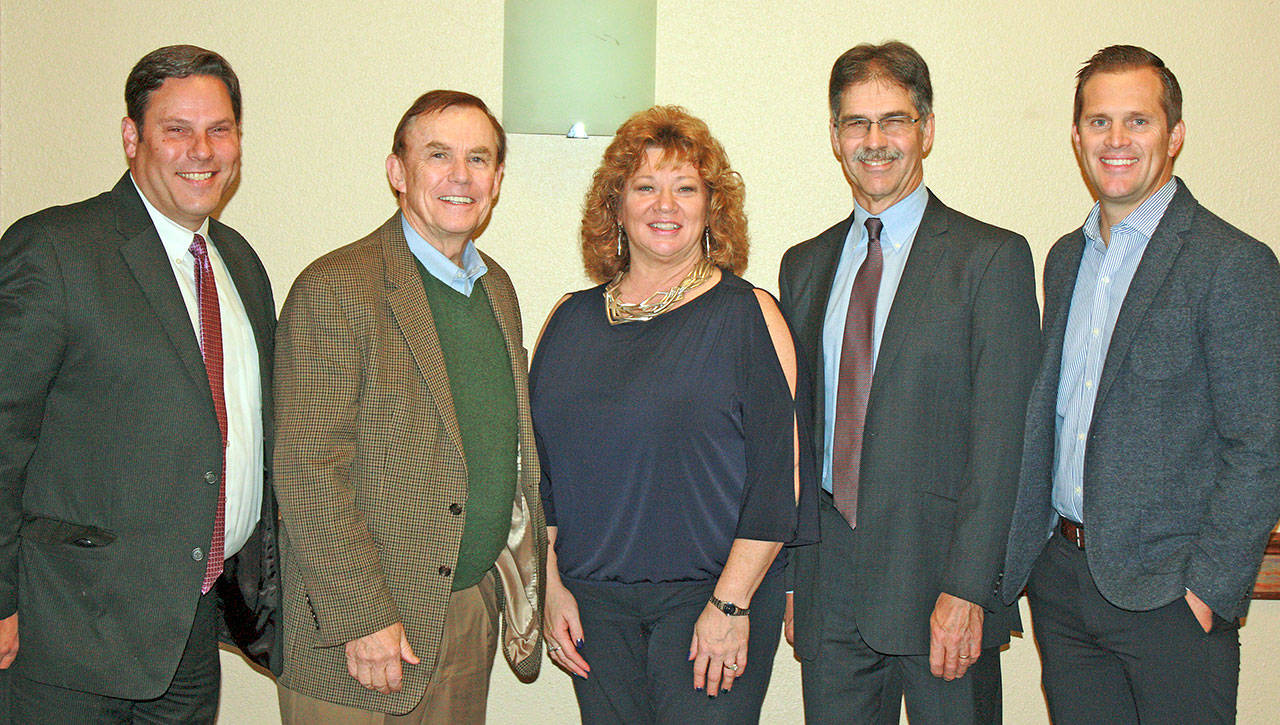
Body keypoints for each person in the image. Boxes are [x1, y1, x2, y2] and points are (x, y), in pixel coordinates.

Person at [1001, 45, 1280, 724]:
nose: (1117, 140)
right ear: (1077, 137)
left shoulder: (1232, 263)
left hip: (1171, 597)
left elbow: (1260, 443)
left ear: (1175, 134)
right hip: (1064, 583)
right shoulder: (1065, 259)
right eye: (1099, 122)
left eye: (1138, 122)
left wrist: (1208, 589)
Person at [0, 45, 279, 722]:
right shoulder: (57, 249)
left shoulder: (239, 261)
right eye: (176, 129)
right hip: (67, 638)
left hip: (189, 632)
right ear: (133, 138)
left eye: (219, 129)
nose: (201, 150)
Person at [778, 41, 1040, 724]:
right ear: (835, 137)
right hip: (830, 592)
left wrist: (969, 589)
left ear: (927, 128)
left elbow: (1002, 443)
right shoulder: (803, 267)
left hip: (940, 593)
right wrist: (797, 581)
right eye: (856, 124)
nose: (875, 142)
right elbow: (798, 440)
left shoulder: (991, 260)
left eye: (893, 120)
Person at [530, 105, 816, 725]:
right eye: (646, 187)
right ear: (616, 206)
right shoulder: (567, 321)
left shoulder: (750, 316)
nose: (666, 205)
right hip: (591, 609)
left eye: (686, 187)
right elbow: (541, 478)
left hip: (710, 604)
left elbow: (778, 480)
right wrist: (547, 586)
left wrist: (733, 606)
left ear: (712, 207)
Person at [273, 90, 545, 723]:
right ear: (398, 171)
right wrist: (363, 617)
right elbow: (308, 468)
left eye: (478, 158)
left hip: (466, 609)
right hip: (363, 633)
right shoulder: (338, 286)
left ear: (497, 180)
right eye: (438, 155)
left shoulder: (495, 287)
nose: (460, 176)